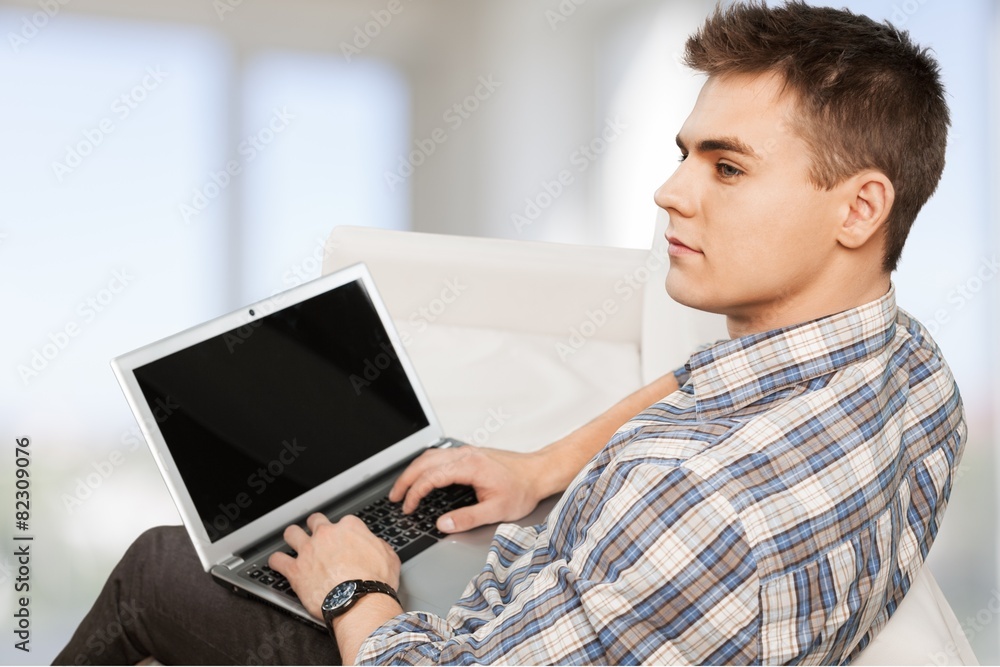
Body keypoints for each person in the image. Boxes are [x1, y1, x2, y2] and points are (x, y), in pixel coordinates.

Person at [55, 1, 965, 664]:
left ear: (859, 208)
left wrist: (356, 586)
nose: (671, 192)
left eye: (727, 167)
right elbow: (713, 383)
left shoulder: (697, 509)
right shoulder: (917, 373)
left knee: (159, 567)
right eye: (684, 153)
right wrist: (538, 469)